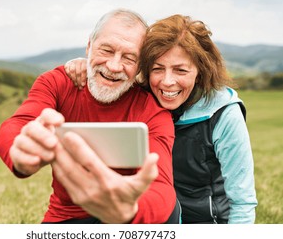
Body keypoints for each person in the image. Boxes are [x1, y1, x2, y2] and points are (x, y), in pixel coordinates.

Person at [64, 14, 258, 224]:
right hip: (152, 222)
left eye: (180, 70)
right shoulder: (142, 100)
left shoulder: (224, 114)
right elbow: (113, 73)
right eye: (157, 69)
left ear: (200, 72)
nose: (167, 82)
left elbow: (242, 203)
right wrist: (85, 65)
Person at [0, 9, 178, 224]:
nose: (114, 66)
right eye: (107, 50)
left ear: (139, 67)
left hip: (127, 214)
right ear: (89, 46)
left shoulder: (152, 111)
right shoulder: (57, 83)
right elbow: (18, 123)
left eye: (129, 57)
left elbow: (161, 188)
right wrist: (21, 149)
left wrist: (130, 210)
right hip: (67, 216)